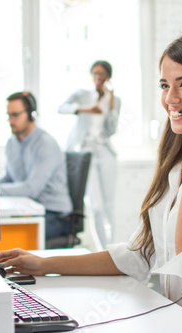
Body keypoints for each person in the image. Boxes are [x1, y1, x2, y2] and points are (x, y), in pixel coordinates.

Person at [0, 28, 182, 333]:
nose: (170, 99)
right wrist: (44, 265)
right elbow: (140, 254)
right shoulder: (177, 167)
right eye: (164, 85)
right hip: (181, 323)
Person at [58, 60, 122, 248]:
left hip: (105, 152)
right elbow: (61, 108)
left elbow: (111, 130)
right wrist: (84, 109)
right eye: (94, 73)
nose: (97, 77)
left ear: (108, 77)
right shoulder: (82, 95)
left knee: (110, 205)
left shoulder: (114, 99)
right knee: (96, 207)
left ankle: (113, 248)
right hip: (85, 152)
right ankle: (103, 249)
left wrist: (110, 106)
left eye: (101, 74)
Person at [0, 91, 73, 243]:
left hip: (55, 215)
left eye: (15, 115)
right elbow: (10, 177)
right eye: (9, 115)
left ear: (31, 114)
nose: (11, 121)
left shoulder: (45, 143)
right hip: (30, 210)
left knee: (5, 236)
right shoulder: (12, 142)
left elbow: (31, 189)